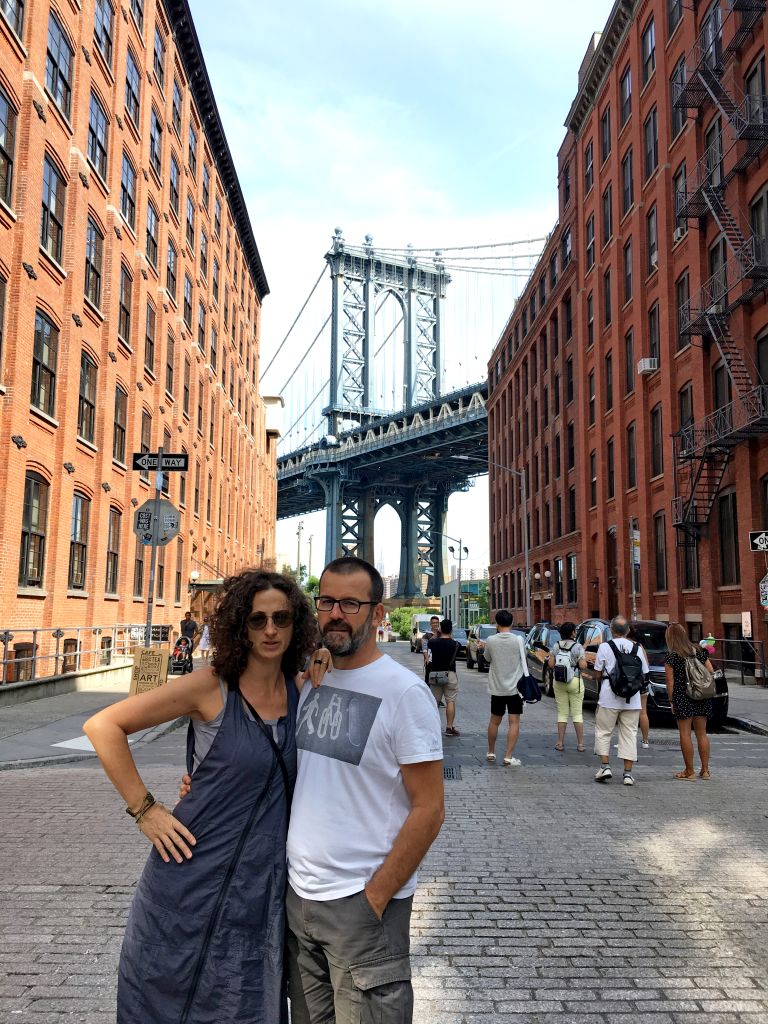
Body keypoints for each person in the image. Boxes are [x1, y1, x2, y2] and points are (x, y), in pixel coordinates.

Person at [83, 569, 326, 1023]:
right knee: (164, 997)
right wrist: (146, 810)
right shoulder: (211, 687)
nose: (270, 629)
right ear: (240, 627)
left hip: (261, 889)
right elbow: (103, 727)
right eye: (257, 620)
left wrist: (324, 654)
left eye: (281, 618)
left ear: (296, 624)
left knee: (244, 1002)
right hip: (188, 879)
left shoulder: (302, 690)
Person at [286, 556, 444, 1024]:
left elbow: (429, 809)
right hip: (299, 902)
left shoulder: (404, 694)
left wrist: (374, 898)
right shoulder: (312, 680)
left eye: (351, 603)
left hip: (363, 909)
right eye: (328, 601)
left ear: (378, 613)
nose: (336, 613)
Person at [593, 615, 649, 787]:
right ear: (628, 631)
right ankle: (627, 774)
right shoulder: (638, 648)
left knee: (604, 732)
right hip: (631, 699)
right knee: (629, 734)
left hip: (609, 696)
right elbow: (645, 673)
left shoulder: (604, 646)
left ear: (611, 630)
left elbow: (597, 673)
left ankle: (605, 766)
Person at [665, 622, 716, 780]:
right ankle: (706, 770)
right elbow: (711, 671)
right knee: (702, 734)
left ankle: (689, 771)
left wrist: (671, 700)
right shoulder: (699, 651)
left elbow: (670, 681)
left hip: (682, 696)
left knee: (685, 734)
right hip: (701, 695)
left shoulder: (672, 655)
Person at [483, 609, 527, 767]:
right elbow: (524, 659)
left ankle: (491, 751)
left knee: (494, 721)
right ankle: (508, 756)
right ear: (512, 622)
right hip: (515, 688)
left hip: (497, 687)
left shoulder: (491, 640)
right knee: (514, 722)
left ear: (497, 623)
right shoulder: (518, 640)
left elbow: (487, 658)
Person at [547, 621, 587, 752]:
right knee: (577, 714)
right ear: (573, 632)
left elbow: (551, 665)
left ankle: (560, 743)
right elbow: (582, 666)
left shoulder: (556, 645)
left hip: (559, 682)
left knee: (562, 713)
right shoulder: (578, 647)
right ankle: (580, 744)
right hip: (575, 681)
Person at [427, 618, 461, 736]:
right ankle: (449, 727)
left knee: (434, 702)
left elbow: (430, 642)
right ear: (451, 630)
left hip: (436, 675)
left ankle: (431, 727)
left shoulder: (433, 643)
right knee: (450, 701)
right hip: (450, 674)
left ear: (441, 629)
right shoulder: (456, 644)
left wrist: (437, 633)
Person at [627, 623, 651, 749]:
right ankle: (645, 741)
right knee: (643, 712)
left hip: (627, 683)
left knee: (625, 713)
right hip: (641, 682)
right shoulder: (639, 646)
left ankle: (626, 741)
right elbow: (646, 665)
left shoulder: (621, 645)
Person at [421, 614, 441, 683]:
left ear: (439, 623)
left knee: (439, 680)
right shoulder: (426, 635)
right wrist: (427, 660)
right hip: (430, 661)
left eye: (436, 623)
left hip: (440, 661)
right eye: (433, 623)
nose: (435, 624)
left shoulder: (442, 634)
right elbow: (424, 648)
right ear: (430, 624)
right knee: (428, 680)